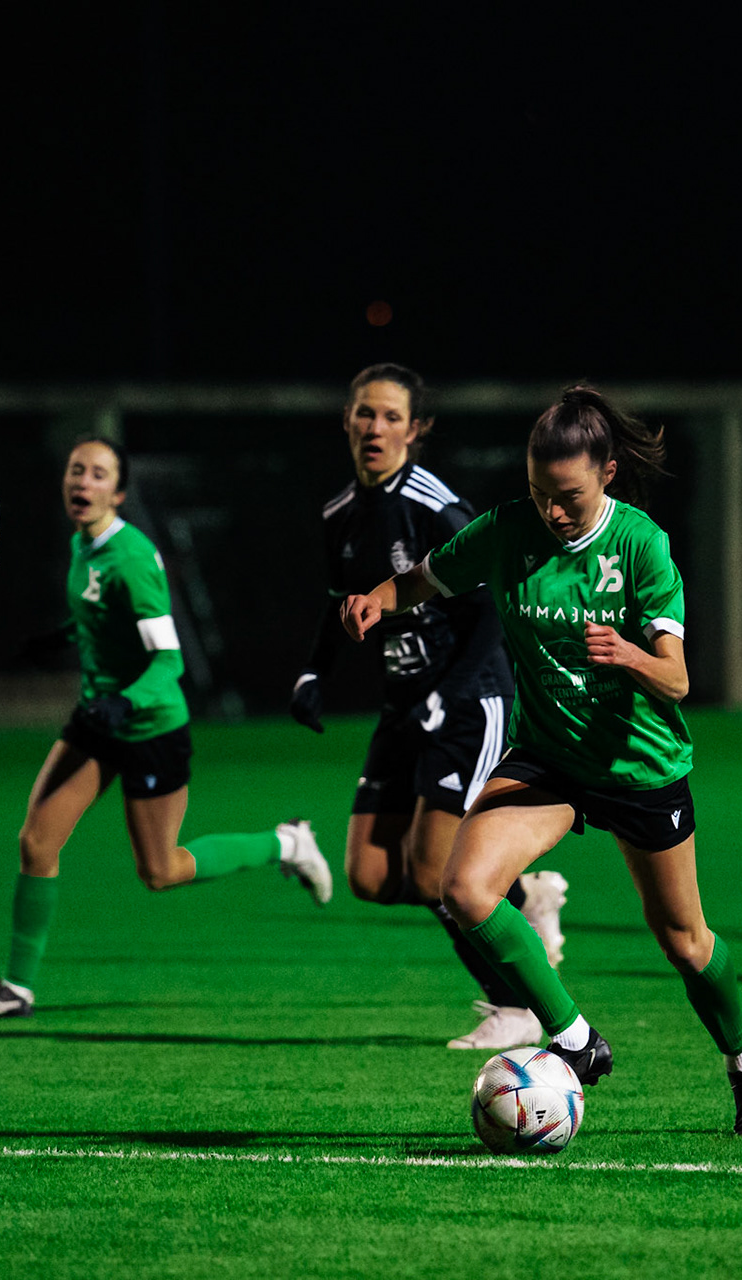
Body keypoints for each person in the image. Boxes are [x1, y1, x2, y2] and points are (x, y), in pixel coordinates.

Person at [342, 385, 742, 1138]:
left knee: (685, 941)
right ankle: (576, 1038)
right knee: (464, 887)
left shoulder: (640, 545)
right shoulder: (508, 530)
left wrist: (632, 656)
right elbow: (424, 578)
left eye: (569, 497)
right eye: (540, 492)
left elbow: (678, 679)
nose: (552, 511)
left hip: (639, 765)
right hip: (548, 760)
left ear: (607, 474)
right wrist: (377, 599)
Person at [0, 437, 333, 1019]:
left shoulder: (132, 558)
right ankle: (16, 988)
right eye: (77, 470)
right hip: (98, 720)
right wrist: (63, 638)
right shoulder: (83, 544)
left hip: (150, 726)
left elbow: (168, 661)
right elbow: (104, 617)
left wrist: (125, 703)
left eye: (99, 474)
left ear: (119, 493)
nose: (83, 481)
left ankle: (288, 843)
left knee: (161, 870)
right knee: (36, 841)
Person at [290, 364, 567, 1051]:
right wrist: (314, 672)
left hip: (471, 700)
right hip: (404, 704)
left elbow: (491, 611)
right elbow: (338, 602)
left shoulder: (435, 506)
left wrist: (448, 694)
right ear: (347, 420)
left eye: (391, 416)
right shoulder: (338, 512)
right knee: (370, 876)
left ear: (416, 430)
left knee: (434, 873)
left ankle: (518, 1007)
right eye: (365, 413)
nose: (375, 427)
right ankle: (524, 899)